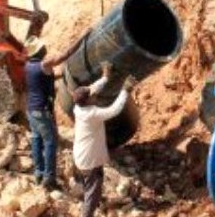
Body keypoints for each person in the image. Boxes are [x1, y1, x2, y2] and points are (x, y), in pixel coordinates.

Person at [23, 30, 91, 189]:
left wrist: (63, 76)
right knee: (50, 143)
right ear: (39, 51)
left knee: (37, 141)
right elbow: (65, 55)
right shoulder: (44, 65)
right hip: (42, 111)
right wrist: (83, 36)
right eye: (42, 47)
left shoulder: (28, 66)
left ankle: (39, 174)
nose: (45, 48)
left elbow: (45, 78)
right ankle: (50, 179)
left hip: (32, 111)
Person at [70, 66, 137, 217]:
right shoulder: (91, 114)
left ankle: (90, 200)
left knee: (89, 185)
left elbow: (92, 89)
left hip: (82, 157)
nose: (95, 96)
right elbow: (114, 110)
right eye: (92, 96)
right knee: (92, 194)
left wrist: (105, 76)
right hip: (89, 161)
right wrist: (125, 90)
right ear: (87, 101)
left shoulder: (79, 106)